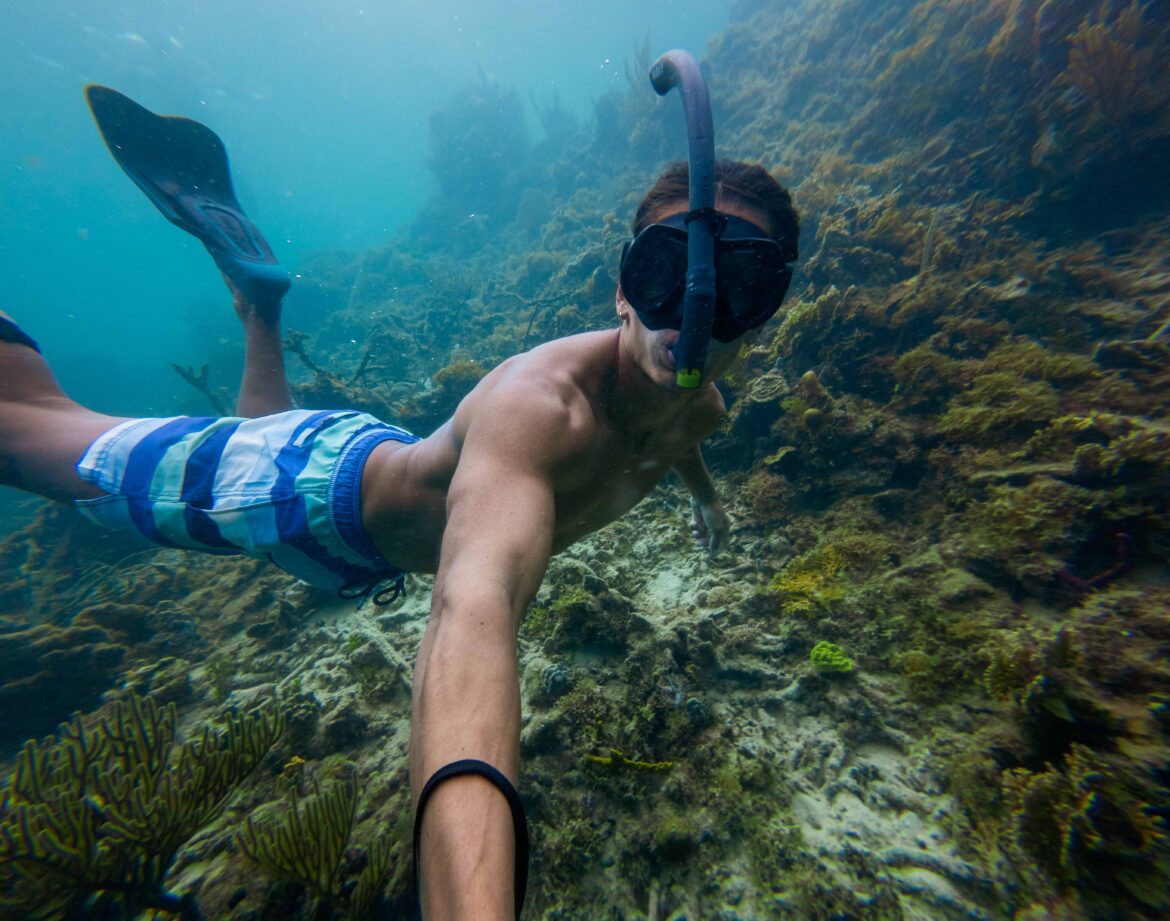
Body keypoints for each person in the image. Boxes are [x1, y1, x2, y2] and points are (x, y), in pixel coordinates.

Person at [0, 82, 798, 920]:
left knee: (244, 428)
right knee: (33, 439)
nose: (696, 316)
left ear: (766, 312)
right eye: (665, 271)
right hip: (303, 495)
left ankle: (259, 307)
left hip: (356, 463)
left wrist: (705, 499)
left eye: (739, 287)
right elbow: (471, 612)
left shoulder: (699, 401)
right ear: (621, 288)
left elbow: (679, 433)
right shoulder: (540, 410)